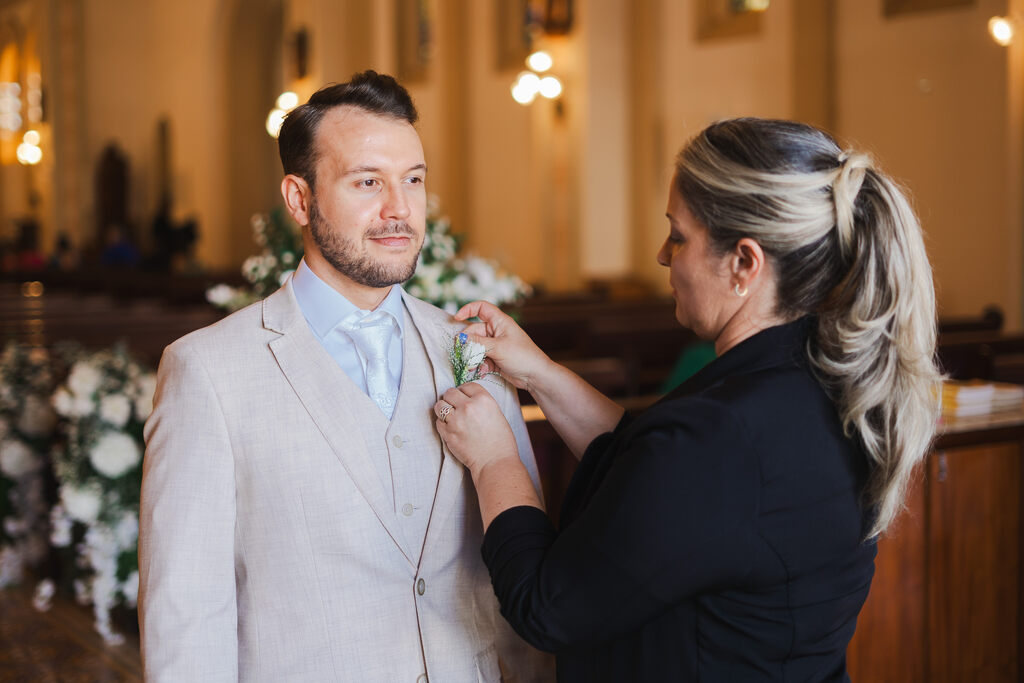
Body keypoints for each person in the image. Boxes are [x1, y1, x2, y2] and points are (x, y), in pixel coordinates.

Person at [434, 118, 942, 682]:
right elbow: (648, 472)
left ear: (744, 264)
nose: (661, 254)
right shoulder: (822, 383)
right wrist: (539, 372)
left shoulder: (721, 437)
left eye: (678, 236)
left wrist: (494, 460)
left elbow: (546, 608)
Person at [139, 71, 552, 682]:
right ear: (299, 200)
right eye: (367, 182)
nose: (399, 209)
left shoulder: (476, 349)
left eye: (413, 180)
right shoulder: (207, 371)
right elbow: (186, 611)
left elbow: (522, 562)